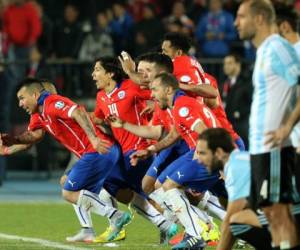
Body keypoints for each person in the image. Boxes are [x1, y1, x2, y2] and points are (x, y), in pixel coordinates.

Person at [0, 77, 131, 242]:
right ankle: (88, 229)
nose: (20, 104)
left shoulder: (53, 102)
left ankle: (115, 216)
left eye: (21, 98)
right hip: (95, 151)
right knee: (69, 182)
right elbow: (33, 137)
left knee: (69, 192)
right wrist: (8, 147)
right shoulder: (38, 114)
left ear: (35, 94)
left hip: (98, 149)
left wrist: (93, 139)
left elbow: (78, 112)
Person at [91, 57, 178, 243]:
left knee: (103, 176)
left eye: (97, 70)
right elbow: (98, 118)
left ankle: (118, 224)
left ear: (110, 73)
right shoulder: (101, 97)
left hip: (141, 150)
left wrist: (154, 105)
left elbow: (161, 96)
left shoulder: (131, 86)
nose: (93, 75)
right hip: (124, 155)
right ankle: (168, 225)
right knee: (139, 194)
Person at [235, 0, 300, 248]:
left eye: (241, 16)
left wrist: (287, 126)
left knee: (279, 211)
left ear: (259, 18)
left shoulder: (278, 48)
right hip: (261, 147)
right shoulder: (263, 51)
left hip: (275, 148)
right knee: (271, 212)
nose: (236, 22)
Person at [195, 128, 273, 250]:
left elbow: (230, 220)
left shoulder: (235, 167)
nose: (197, 159)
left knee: (235, 221)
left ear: (219, 152)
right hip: (288, 211)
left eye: (202, 153)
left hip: (291, 216)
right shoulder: (241, 160)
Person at [221, 53, 252, 148]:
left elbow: (252, 102)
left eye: (230, 63)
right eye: (225, 64)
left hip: (242, 125)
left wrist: (239, 113)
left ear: (238, 64)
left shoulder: (247, 81)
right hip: (228, 124)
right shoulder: (224, 82)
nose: (226, 66)